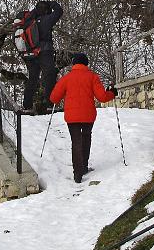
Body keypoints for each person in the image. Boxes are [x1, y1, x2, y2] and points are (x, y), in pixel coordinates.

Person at [48, 53, 116, 183]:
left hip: (72, 117)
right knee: (86, 137)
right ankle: (84, 166)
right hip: (88, 115)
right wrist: (112, 93)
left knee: (76, 142)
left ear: (74, 64)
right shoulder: (92, 77)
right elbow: (102, 97)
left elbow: (54, 98)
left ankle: (77, 173)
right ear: (86, 64)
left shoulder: (66, 78)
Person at [20, 0, 63, 114]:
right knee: (50, 76)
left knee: (32, 79)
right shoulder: (46, 20)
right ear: (46, 10)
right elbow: (59, 11)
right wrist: (52, 3)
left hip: (31, 54)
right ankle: (50, 104)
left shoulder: (29, 21)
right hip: (44, 51)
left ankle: (27, 106)